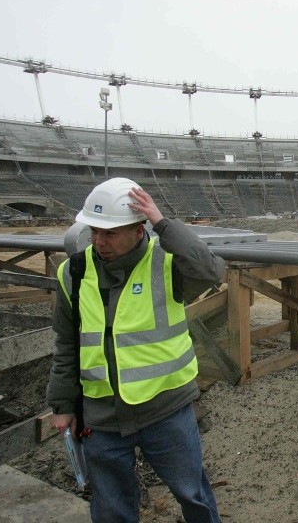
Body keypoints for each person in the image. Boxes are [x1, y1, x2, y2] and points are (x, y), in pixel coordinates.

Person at [47, 177, 225, 523]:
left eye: (110, 233)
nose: (99, 241)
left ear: (139, 229)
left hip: (166, 410)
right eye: (95, 231)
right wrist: (63, 404)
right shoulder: (74, 271)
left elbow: (210, 270)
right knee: (111, 506)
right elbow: (66, 343)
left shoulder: (167, 265)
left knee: (193, 495)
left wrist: (165, 224)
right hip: (100, 416)